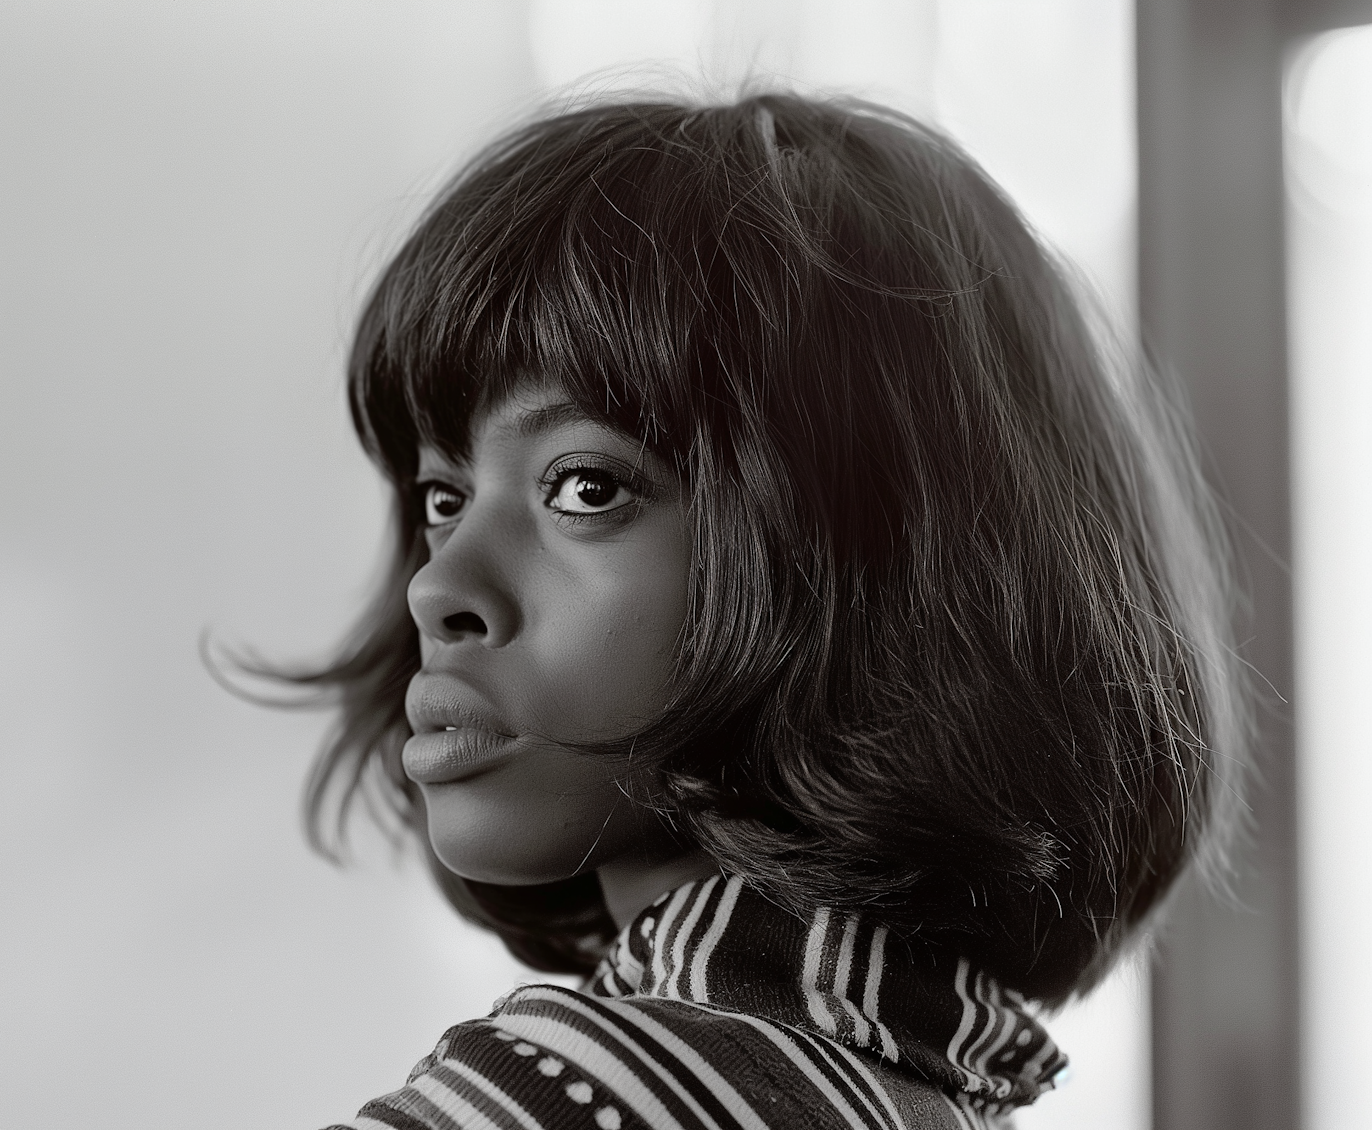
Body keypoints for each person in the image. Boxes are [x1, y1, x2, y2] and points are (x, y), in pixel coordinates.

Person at [287, 92, 1246, 1129]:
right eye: (442, 497)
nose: (437, 587)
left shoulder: (576, 1096)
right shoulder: (918, 1088)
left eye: (585, 487)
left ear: (879, 569)